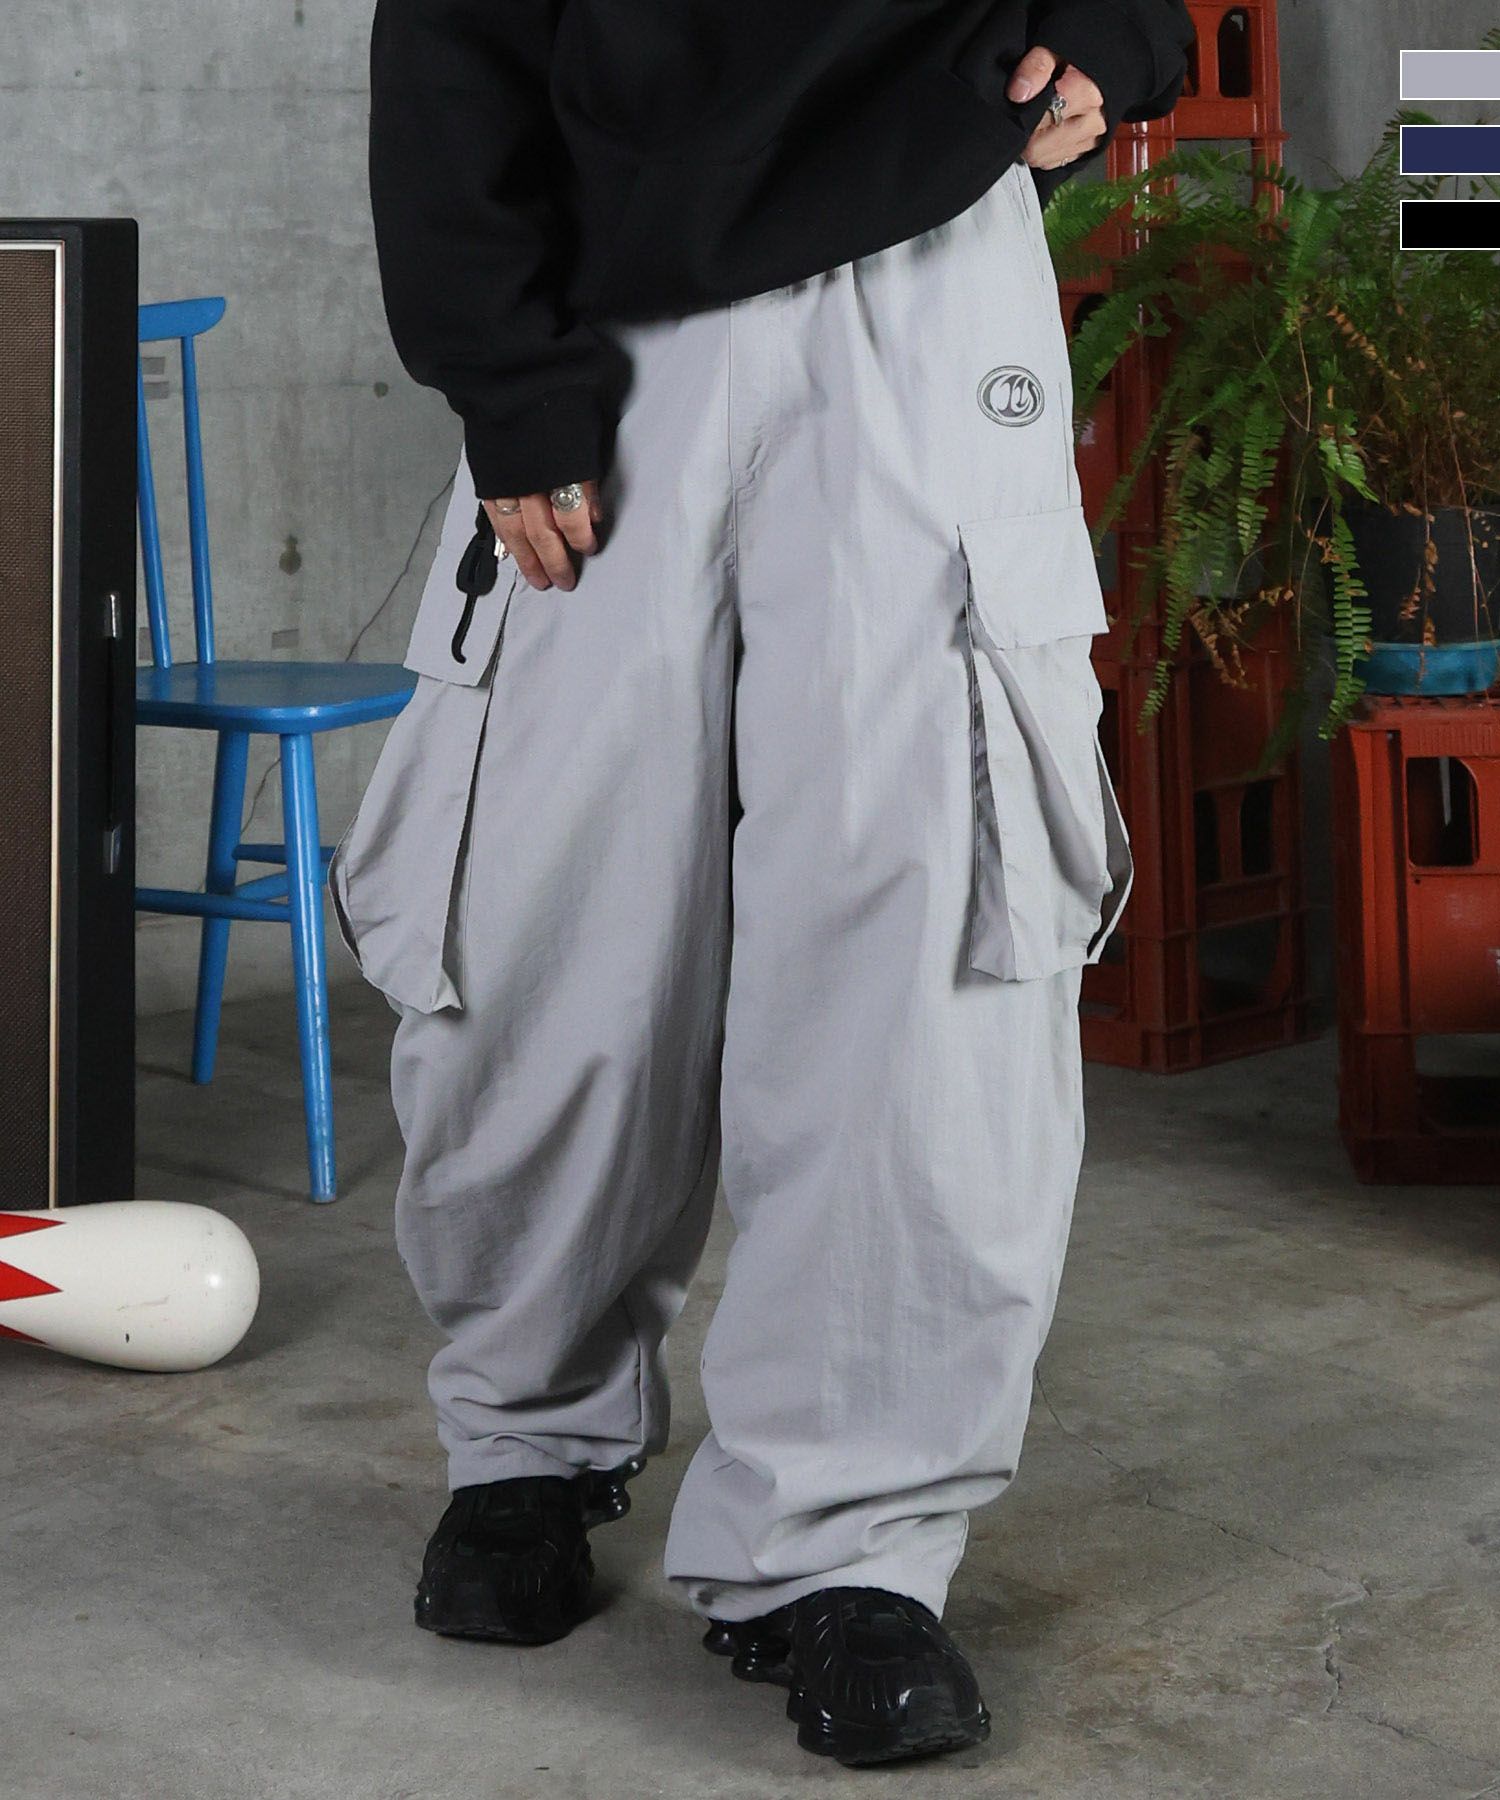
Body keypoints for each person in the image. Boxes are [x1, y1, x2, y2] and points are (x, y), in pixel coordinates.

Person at [330, 0, 1192, 1768]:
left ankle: (854, 1545)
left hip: (925, 286)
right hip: (606, 316)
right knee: (546, 934)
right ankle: (525, 1444)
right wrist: (506, 370)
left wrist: (1127, 21)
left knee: (921, 941)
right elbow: (447, 30)